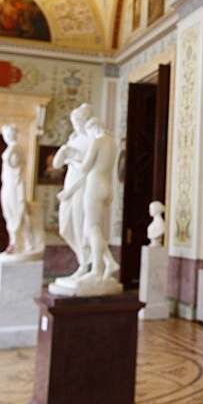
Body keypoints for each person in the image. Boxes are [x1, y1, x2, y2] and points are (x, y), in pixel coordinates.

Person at [70, 116, 120, 282]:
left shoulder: (97, 141)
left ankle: (97, 270)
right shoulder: (112, 143)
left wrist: (71, 161)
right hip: (107, 186)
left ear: (92, 127)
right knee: (91, 229)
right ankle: (110, 262)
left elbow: (85, 167)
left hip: (95, 185)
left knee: (92, 228)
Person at [54, 103, 92, 275]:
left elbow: (88, 168)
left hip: (82, 186)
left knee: (79, 224)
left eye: (79, 119)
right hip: (70, 183)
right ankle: (83, 259)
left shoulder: (92, 140)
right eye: (74, 119)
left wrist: (73, 157)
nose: (76, 122)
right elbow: (57, 164)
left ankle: (85, 264)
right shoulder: (73, 138)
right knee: (64, 227)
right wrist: (62, 152)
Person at [0, 124, 38, 256]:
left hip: (15, 186)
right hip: (9, 185)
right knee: (11, 214)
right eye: (6, 134)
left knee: (19, 214)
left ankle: (24, 241)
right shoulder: (13, 148)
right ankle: (17, 242)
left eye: (10, 134)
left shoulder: (15, 148)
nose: (8, 137)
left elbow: (9, 159)